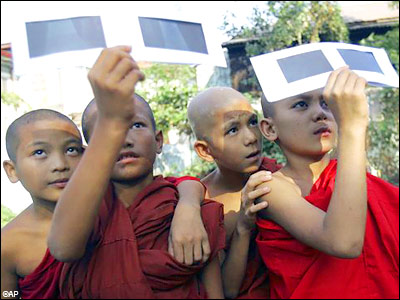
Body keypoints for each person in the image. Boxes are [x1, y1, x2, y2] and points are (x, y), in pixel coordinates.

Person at [47, 46, 225, 299]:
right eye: (107, 131)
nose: (123, 140)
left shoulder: (183, 205)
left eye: (136, 125)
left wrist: (188, 205)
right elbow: (64, 248)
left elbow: (212, 290)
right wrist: (111, 122)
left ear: (159, 140)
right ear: (91, 152)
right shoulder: (87, 209)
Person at [251, 66, 399, 298]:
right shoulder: (271, 188)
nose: (320, 113)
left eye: (326, 103)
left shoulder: (353, 179)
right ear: (269, 128)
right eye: (301, 104)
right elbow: (344, 242)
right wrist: (352, 127)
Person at [187, 86, 281, 299]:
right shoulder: (205, 204)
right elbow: (227, 290)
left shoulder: (278, 177)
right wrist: (243, 228)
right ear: (205, 150)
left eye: (252, 122)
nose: (251, 138)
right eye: (232, 130)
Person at [1, 109, 84, 299]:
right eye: (39, 152)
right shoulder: (8, 245)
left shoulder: (110, 214)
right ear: (12, 170)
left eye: (71, 150)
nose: (60, 164)